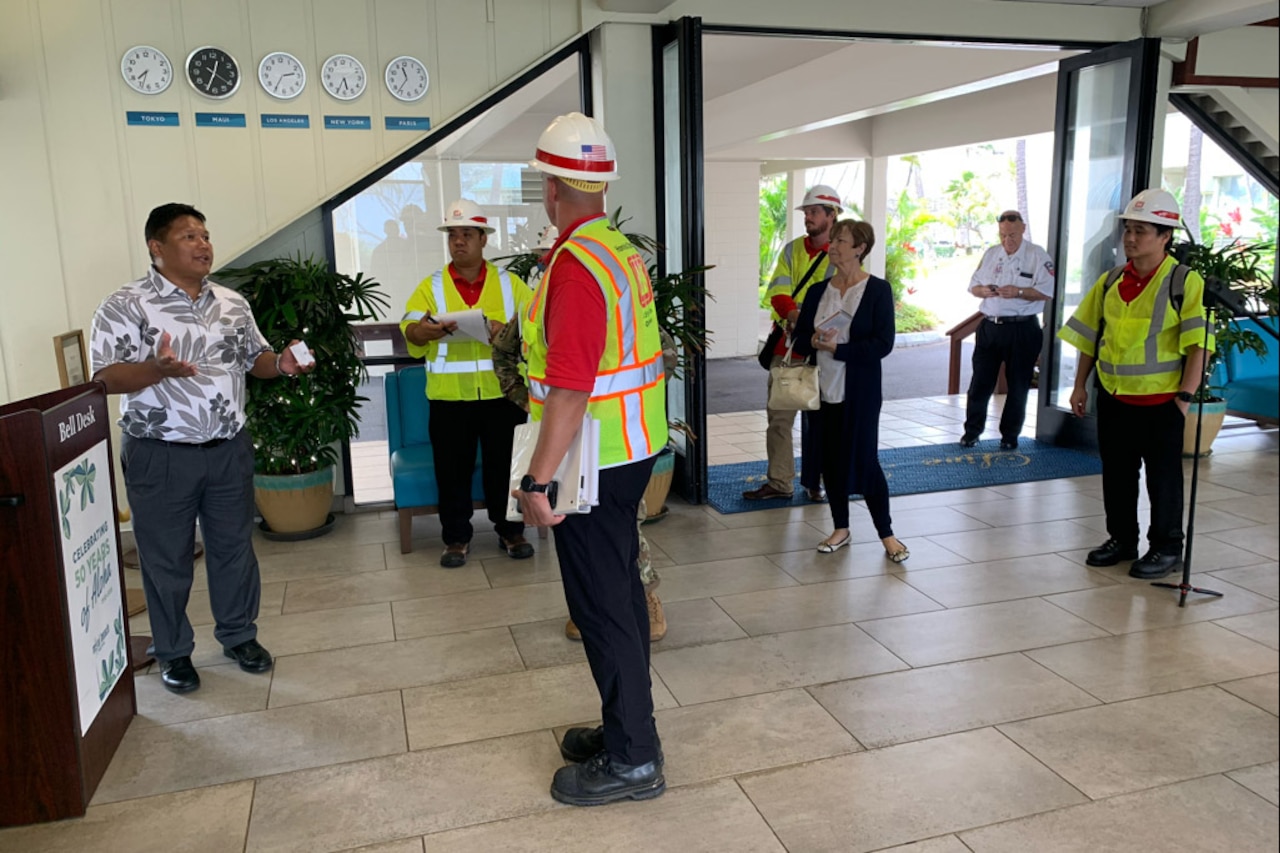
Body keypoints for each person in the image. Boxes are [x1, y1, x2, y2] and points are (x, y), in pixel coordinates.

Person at [89, 203, 314, 694]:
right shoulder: (124, 305)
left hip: (228, 447)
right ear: (157, 247)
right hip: (160, 451)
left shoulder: (232, 303)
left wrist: (285, 364)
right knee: (165, 557)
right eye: (189, 236)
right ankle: (173, 652)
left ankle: (239, 636)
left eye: (206, 235)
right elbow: (105, 378)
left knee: (234, 549)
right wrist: (157, 370)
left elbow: (256, 360)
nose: (203, 244)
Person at [512, 112, 668, 807]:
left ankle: (635, 756)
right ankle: (624, 726)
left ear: (552, 188)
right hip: (629, 447)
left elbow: (572, 386)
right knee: (621, 595)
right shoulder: (615, 248)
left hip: (592, 456)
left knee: (602, 603)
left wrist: (536, 478)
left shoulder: (577, 266)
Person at [491, 224, 668, 644]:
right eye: (540, 254)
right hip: (571, 443)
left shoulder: (591, 280)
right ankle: (601, 608)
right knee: (594, 555)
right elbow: (505, 351)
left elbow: (657, 355)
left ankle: (643, 598)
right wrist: (532, 405)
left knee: (622, 544)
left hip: (613, 446)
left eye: (546, 251)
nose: (543, 259)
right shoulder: (546, 298)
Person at [1059, 188, 1212, 580]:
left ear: (1165, 236)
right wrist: (1080, 385)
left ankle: (1166, 548)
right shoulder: (1111, 281)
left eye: (1141, 231)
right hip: (1114, 397)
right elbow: (1089, 336)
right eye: (1128, 229)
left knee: (1163, 481)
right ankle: (1122, 540)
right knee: (1118, 475)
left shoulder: (1184, 282)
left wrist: (1184, 399)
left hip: (1163, 403)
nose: (1130, 238)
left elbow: (1199, 347)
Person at [400, 199, 534, 568]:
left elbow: (536, 331)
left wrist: (503, 331)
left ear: (483, 239)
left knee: (504, 467)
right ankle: (456, 538)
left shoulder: (512, 285)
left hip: (502, 394)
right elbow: (410, 328)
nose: (459, 242)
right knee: (452, 470)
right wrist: (424, 331)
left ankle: (510, 531)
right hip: (449, 398)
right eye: (453, 235)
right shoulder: (431, 286)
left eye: (467, 235)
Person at [792, 219, 909, 563]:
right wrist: (813, 341)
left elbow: (883, 343)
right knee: (830, 461)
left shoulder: (876, 290)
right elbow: (800, 338)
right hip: (821, 392)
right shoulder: (818, 291)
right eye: (834, 240)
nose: (834, 245)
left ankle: (887, 534)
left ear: (860, 248)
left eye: (842, 241)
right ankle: (840, 527)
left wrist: (838, 350)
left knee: (865, 461)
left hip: (859, 392)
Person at [743, 185, 841, 503]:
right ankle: (780, 481)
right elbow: (777, 289)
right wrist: (794, 313)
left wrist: (805, 317)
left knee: (822, 423)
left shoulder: (842, 254)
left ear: (832, 215)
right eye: (806, 212)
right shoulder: (792, 249)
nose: (808, 218)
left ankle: (817, 481)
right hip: (790, 350)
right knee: (780, 420)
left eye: (813, 212)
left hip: (825, 352)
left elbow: (842, 300)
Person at [960, 209, 1055, 450]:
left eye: (1012, 235)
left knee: (1018, 384)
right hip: (990, 325)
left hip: (1021, 328)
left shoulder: (1036, 255)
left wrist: (1019, 292)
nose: (1007, 241)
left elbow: (1046, 292)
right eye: (1003, 235)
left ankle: (1009, 437)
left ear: (1022, 229)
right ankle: (971, 432)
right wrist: (983, 290)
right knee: (980, 382)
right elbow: (973, 286)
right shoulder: (992, 254)